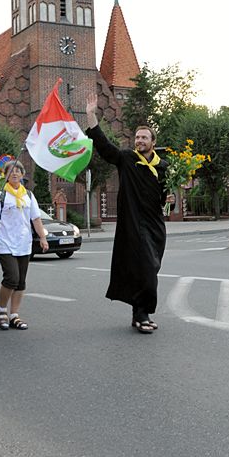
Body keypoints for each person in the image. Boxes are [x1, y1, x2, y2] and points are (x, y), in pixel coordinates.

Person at [85, 92, 173, 334]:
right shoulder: (126, 159)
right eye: (137, 137)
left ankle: (137, 314)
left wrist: (171, 201)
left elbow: (165, 199)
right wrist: (91, 116)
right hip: (133, 224)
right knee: (145, 269)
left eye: (144, 137)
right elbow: (104, 147)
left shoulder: (162, 167)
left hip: (155, 225)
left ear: (153, 142)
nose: (140, 140)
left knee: (150, 267)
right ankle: (144, 314)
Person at [0, 159, 49, 331]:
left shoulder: (28, 195)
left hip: (24, 243)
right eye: (10, 171)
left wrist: (42, 238)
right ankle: (1, 311)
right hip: (5, 242)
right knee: (11, 278)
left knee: (21, 282)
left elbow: (35, 218)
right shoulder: (0, 196)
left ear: (22, 175)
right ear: (5, 175)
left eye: (17, 171)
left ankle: (14, 315)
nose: (14, 173)